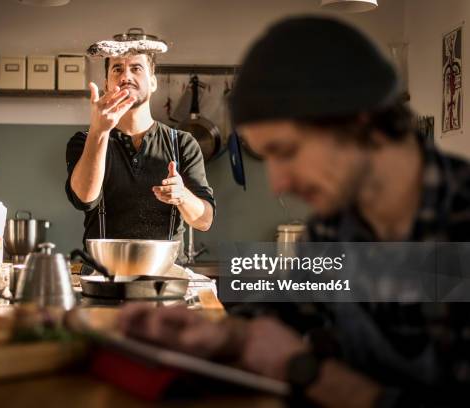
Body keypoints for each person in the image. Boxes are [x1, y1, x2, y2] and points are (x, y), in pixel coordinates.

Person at [118, 16, 470, 407]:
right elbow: (287, 309)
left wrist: (309, 372)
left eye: (286, 152)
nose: (278, 184)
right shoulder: (336, 227)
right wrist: (219, 335)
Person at [66, 35, 215, 263]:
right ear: (107, 83)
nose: (126, 76)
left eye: (136, 68)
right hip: (103, 275)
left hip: (165, 277)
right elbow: (84, 199)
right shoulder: (84, 141)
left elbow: (204, 221)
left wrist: (182, 196)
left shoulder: (183, 143)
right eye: (117, 69)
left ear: (153, 82)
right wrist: (99, 131)